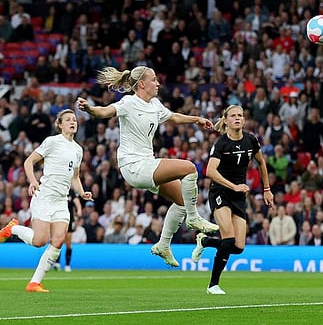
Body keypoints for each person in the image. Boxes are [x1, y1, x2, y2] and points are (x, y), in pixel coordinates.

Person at [76, 66, 219, 267]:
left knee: (181, 200)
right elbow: (105, 111)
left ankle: (163, 245)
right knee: (189, 168)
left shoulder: (155, 104)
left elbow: (174, 117)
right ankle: (194, 218)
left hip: (146, 163)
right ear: (142, 84)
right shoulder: (128, 102)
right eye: (154, 79)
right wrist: (90, 109)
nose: (158, 83)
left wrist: (196, 119)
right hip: (133, 165)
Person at [0, 109, 93, 293]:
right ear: (60, 124)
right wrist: (33, 181)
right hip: (45, 195)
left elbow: (75, 177)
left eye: (74, 119)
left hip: (61, 200)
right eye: (68, 120)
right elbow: (29, 161)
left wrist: (82, 193)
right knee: (39, 241)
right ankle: (12, 228)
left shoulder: (78, 150)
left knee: (58, 240)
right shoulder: (52, 142)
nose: (72, 122)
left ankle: (34, 282)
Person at [190, 105, 275, 295]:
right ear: (226, 120)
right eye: (233, 115)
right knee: (228, 238)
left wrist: (267, 189)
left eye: (240, 115)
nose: (237, 118)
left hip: (238, 196)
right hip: (220, 192)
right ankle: (213, 285)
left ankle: (204, 242)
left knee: (238, 247)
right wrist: (234, 186)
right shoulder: (221, 143)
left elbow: (261, 162)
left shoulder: (251, 141)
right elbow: (210, 171)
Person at [53, 191, 83, 272]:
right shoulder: (58, 190)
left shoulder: (71, 192)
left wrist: (79, 209)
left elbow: (76, 200)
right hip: (59, 218)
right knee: (58, 240)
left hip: (70, 219)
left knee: (68, 242)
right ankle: (57, 262)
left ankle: (67, 264)